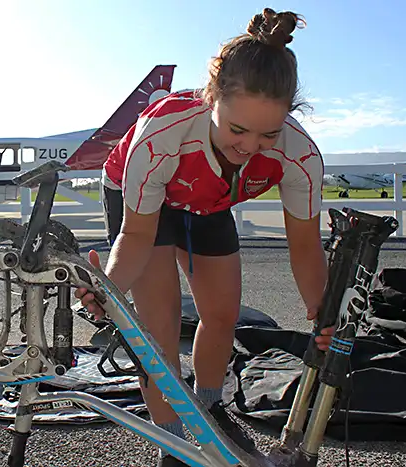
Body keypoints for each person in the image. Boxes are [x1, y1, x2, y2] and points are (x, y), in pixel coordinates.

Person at [76, 8, 334, 467]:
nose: (250, 147)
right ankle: (175, 446)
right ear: (209, 99)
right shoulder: (163, 134)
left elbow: (306, 249)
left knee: (222, 314)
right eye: (237, 129)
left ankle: (210, 410)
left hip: (207, 201)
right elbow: (136, 235)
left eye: (268, 134)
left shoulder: (300, 155)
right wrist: (107, 287)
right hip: (144, 201)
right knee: (158, 331)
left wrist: (324, 316)